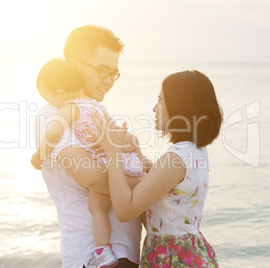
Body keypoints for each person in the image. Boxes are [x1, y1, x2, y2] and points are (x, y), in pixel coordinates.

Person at [33, 25, 143, 268]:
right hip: (90, 256)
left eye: (114, 73)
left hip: (126, 253)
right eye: (102, 71)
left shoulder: (95, 112)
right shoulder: (52, 114)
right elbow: (91, 177)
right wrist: (151, 183)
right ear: (73, 64)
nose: (108, 81)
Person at [91, 70, 222, 267]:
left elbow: (125, 210)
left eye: (161, 101)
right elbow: (165, 207)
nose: (154, 108)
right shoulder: (194, 151)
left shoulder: (175, 158)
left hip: (172, 257)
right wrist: (141, 159)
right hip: (186, 251)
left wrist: (112, 153)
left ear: (180, 106)